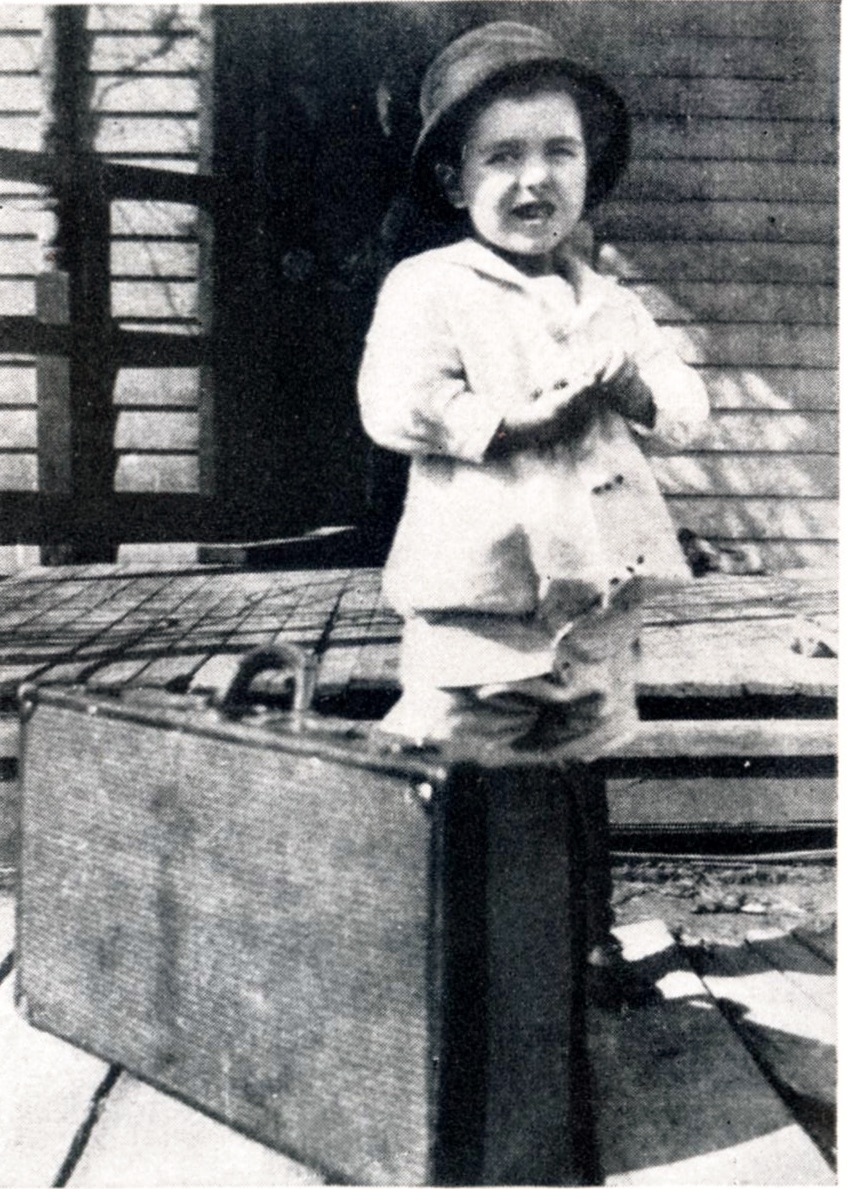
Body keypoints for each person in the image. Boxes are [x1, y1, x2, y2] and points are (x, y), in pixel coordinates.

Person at [358, 21, 709, 1008]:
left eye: (559, 152)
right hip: (480, 593)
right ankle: (429, 951)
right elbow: (394, 403)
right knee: (455, 758)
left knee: (579, 762)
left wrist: (638, 390)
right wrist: (508, 423)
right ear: (452, 181)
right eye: (501, 157)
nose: (533, 180)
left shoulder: (610, 302)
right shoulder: (431, 287)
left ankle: (586, 942)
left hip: (593, 587)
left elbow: (686, 406)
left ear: (588, 170)